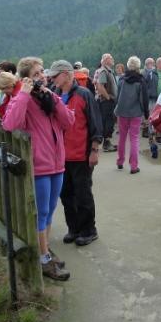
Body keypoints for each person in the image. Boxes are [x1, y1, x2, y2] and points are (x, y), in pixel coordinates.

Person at [2, 57, 75, 281]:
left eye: (42, 72)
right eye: (36, 73)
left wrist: (53, 100)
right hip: (41, 165)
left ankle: (45, 251)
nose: (42, 76)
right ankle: (43, 259)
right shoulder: (22, 99)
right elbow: (9, 124)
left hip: (57, 164)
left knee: (50, 210)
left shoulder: (48, 97)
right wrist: (23, 93)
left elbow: (68, 121)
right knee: (41, 213)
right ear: (25, 78)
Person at [47, 61, 103, 247]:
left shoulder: (84, 95)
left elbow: (95, 124)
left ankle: (89, 230)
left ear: (66, 74)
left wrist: (94, 150)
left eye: (55, 76)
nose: (52, 79)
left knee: (83, 194)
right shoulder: (54, 95)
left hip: (81, 154)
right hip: (61, 156)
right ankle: (74, 228)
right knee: (66, 194)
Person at [114, 56, 149, 174]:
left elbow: (117, 97)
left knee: (122, 138)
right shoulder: (141, 80)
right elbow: (144, 99)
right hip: (135, 113)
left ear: (128, 66)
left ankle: (120, 161)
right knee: (134, 139)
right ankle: (134, 166)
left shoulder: (122, 80)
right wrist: (147, 114)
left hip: (122, 112)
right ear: (138, 66)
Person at [145, 57, 161, 157]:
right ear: (158, 64)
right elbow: (144, 85)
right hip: (153, 100)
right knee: (152, 121)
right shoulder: (151, 73)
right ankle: (152, 145)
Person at [95, 53, 119, 152]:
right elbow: (100, 86)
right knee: (108, 122)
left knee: (109, 121)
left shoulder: (108, 71)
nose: (113, 59)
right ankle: (106, 144)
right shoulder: (104, 71)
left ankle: (107, 142)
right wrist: (108, 97)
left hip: (109, 101)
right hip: (106, 102)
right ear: (105, 60)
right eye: (110, 58)